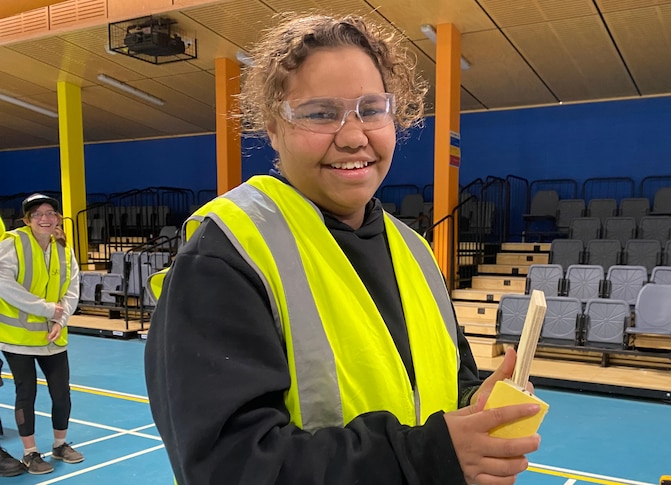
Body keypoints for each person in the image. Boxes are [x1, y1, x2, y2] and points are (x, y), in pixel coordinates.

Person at [144, 13, 542, 485]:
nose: (354, 136)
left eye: (371, 109)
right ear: (273, 127)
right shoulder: (226, 253)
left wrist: (475, 407)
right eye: (320, 113)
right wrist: (426, 455)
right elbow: (229, 466)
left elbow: (444, 379)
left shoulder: (414, 249)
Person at [0, 194, 84, 475]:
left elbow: (72, 288)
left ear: (58, 218)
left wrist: (61, 317)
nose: (45, 218)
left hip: (54, 336)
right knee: (27, 393)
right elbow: (3, 283)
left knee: (62, 394)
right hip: (19, 338)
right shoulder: (12, 243)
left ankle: (60, 444)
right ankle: (30, 453)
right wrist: (47, 309)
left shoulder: (64, 248)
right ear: (27, 220)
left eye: (50, 213)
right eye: (37, 214)